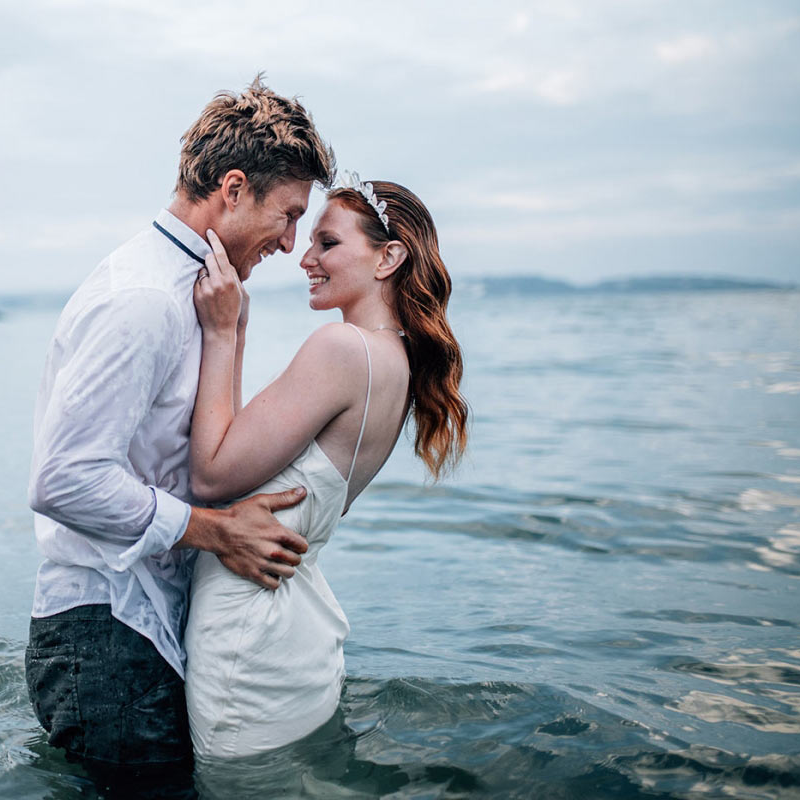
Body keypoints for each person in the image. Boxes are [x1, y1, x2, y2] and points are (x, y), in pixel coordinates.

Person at [25, 77, 334, 794]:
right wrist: (218, 531)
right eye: (286, 216)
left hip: (137, 628)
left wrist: (233, 330)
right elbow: (62, 479)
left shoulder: (203, 292)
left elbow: (198, 453)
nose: (291, 244)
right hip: (103, 634)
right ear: (232, 189)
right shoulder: (144, 301)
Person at [184, 175, 469, 759]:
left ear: (388, 257)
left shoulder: (342, 350)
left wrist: (220, 331)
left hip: (249, 633)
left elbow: (210, 476)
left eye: (327, 244)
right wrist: (236, 330)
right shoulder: (396, 361)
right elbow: (239, 452)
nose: (305, 258)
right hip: (293, 626)